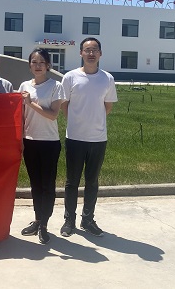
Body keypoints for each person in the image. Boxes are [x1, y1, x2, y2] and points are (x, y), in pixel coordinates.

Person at [59, 37, 117, 238]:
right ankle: (69, 220)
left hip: (98, 139)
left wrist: (94, 122)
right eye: (87, 50)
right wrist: (76, 122)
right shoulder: (70, 77)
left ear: (100, 53)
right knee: (72, 182)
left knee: (92, 182)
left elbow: (107, 106)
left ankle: (88, 219)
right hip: (75, 138)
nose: (91, 53)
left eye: (94, 50)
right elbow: (64, 104)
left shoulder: (107, 79)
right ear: (81, 53)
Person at [18, 48, 65, 245]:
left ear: (48, 65)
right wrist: (20, 138)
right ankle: (37, 219)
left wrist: (30, 103)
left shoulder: (56, 86)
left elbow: (53, 115)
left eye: (41, 62)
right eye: (34, 62)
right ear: (29, 65)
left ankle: (45, 225)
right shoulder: (24, 86)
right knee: (35, 185)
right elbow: (20, 116)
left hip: (49, 142)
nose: (38, 66)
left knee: (48, 185)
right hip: (30, 141)